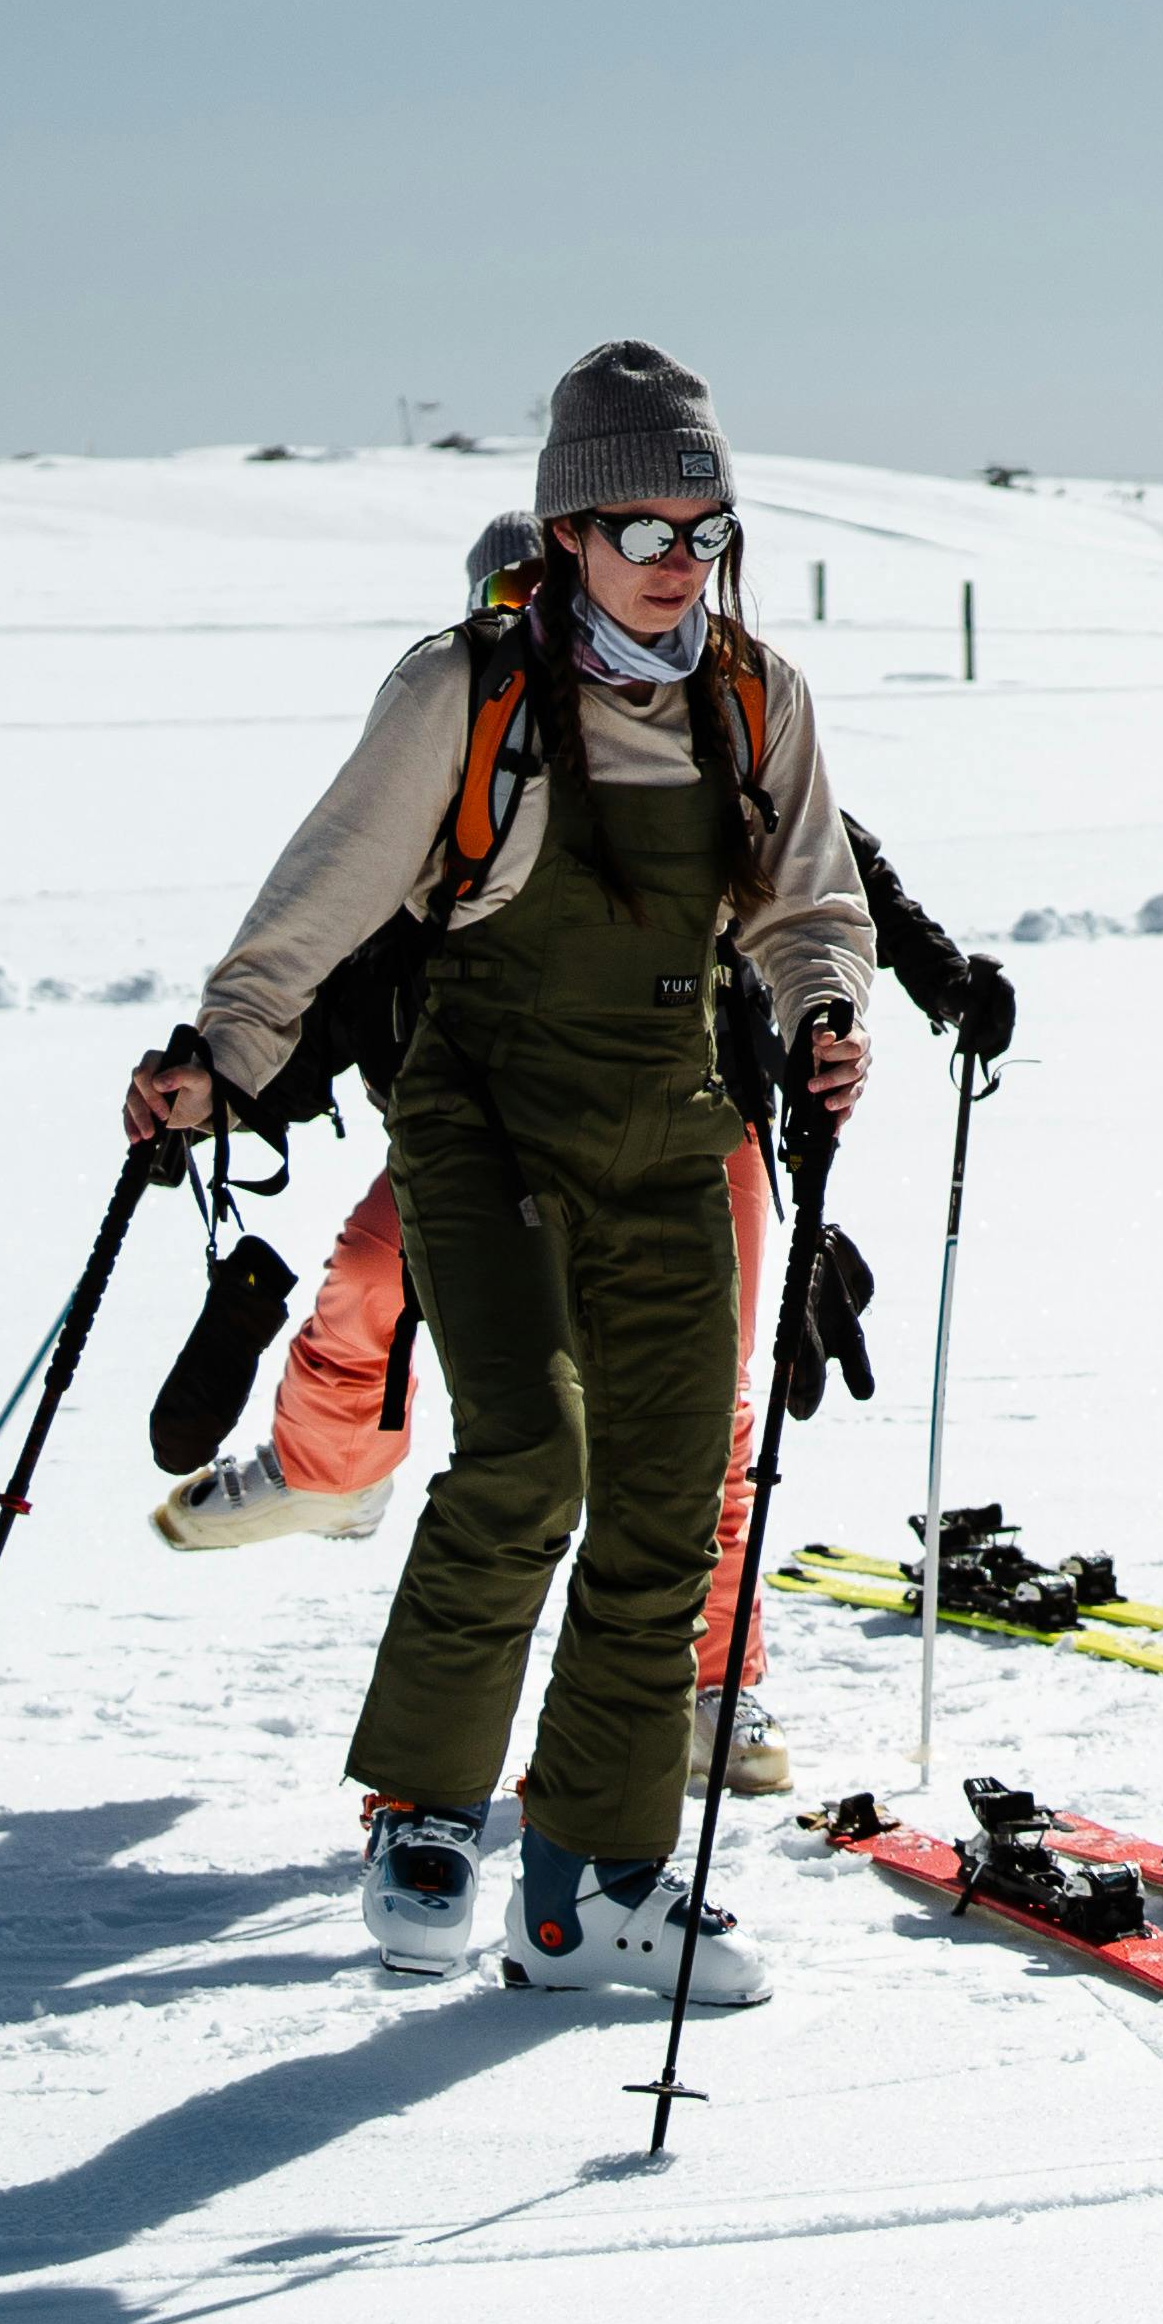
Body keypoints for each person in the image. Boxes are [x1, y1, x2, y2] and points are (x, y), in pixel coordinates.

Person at [126, 345, 874, 2001]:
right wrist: (221, 1061)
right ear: (570, 532)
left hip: (671, 1116)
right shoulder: (459, 692)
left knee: (672, 1492)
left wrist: (824, 1006)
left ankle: (592, 1882)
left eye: (705, 529)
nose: (680, 563)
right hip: (480, 1112)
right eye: (646, 529)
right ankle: (421, 1811)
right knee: (527, 1454)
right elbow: (318, 904)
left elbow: (809, 901)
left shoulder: (755, 697)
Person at [154, 516, 1017, 1810]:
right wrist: (220, 1091)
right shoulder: (460, 769)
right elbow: (332, 970)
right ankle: (326, 1472)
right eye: (512, 602)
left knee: (704, 1411)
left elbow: (833, 876)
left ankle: (715, 1678)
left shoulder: (712, 729)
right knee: (370, 1284)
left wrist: (941, 979)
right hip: (482, 1126)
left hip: (684, 1107)